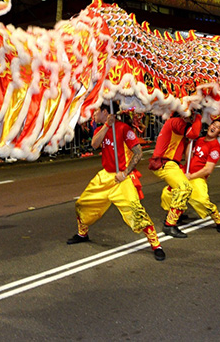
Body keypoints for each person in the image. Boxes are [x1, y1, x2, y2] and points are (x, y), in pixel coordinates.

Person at [67, 102, 165, 261]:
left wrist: (126, 173)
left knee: (136, 212)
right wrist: (106, 125)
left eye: (97, 110)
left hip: (121, 179)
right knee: (82, 204)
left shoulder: (123, 129)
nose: (94, 114)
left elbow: (138, 153)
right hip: (105, 177)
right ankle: (82, 233)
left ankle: (156, 245)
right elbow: (94, 145)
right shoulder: (101, 129)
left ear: (105, 111)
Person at [160, 119, 220, 232]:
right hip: (186, 174)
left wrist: (191, 176)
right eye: (213, 124)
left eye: (217, 127)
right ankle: (176, 216)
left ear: (219, 133)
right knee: (167, 193)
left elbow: (208, 169)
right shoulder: (199, 140)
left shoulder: (215, 148)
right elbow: (188, 158)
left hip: (197, 178)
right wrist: (190, 142)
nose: (214, 127)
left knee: (201, 200)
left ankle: (218, 221)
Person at [149, 111, 202, 238]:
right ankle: (169, 224)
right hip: (166, 163)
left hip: (170, 163)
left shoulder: (176, 125)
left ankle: (176, 214)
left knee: (173, 189)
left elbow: (187, 151)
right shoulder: (176, 122)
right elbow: (194, 133)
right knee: (184, 188)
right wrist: (198, 117)